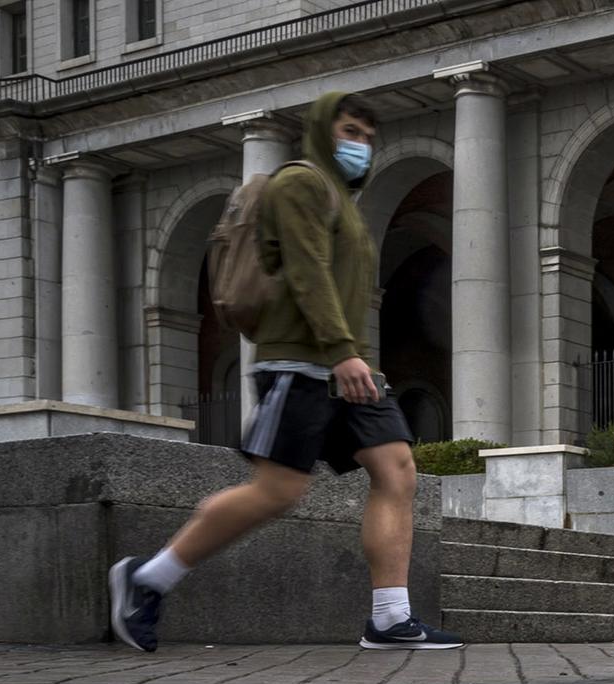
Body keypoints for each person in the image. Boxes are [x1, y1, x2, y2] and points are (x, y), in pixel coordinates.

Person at [108, 91, 464, 652]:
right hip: (301, 360)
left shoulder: (343, 204)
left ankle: (390, 619)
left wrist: (352, 356)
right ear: (323, 132)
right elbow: (305, 269)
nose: (361, 146)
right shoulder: (300, 183)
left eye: (368, 138)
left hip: (348, 365)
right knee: (278, 491)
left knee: (397, 469)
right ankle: (147, 579)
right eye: (350, 132)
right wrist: (341, 349)